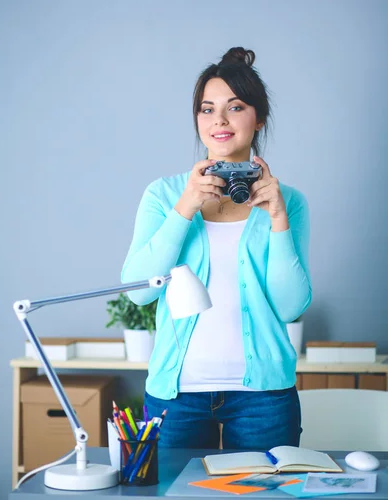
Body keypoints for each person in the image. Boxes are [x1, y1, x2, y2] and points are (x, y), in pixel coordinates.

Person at [121, 47, 312, 450]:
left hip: (264, 399)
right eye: (207, 109)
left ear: (258, 118)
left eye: (235, 107)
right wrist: (185, 207)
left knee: (265, 497)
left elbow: (291, 307)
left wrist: (278, 218)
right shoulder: (165, 194)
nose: (219, 120)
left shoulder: (288, 201)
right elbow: (139, 291)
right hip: (177, 396)